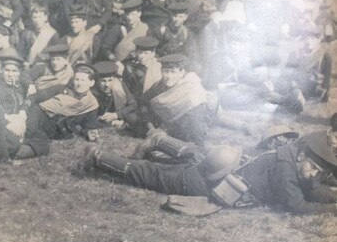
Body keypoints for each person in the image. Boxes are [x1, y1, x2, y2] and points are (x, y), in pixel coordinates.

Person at [79, 129, 337, 215]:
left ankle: (161, 140)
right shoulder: (286, 171)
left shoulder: (290, 156)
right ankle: (98, 157)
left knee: (196, 153)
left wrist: (333, 194)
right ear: (303, 155)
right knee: (153, 175)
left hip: (226, 164)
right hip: (208, 183)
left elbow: (311, 188)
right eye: (313, 167)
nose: (313, 174)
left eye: (319, 171)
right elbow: (297, 205)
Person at [22, 63, 101, 159]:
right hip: (37, 116)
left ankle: (12, 151)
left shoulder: (91, 104)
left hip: (51, 130)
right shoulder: (60, 89)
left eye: (83, 80)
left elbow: (89, 126)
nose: (79, 83)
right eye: (77, 79)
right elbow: (34, 97)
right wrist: (23, 112)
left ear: (91, 83)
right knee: (27, 135)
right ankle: (10, 149)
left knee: (42, 147)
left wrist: (91, 134)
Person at [128, 54, 209, 145]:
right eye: (165, 71)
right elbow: (143, 101)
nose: (169, 76)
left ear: (182, 72)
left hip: (184, 126)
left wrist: (163, 130)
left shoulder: (192, 89)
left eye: (173, 72)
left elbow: (194, 125)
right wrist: (150, 127)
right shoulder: (159, 85)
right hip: (161, 124)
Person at [92, 61, 136, 130]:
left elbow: (133, 104)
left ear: (115, 79)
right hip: (102, 118)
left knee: (134, 117)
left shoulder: (119, 85)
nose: (107, 85)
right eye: (103, 81)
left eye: (110, 80)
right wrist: (112, 123)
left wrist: (117, 115)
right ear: (97, 81)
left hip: (117, 114)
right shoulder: (92, 91)